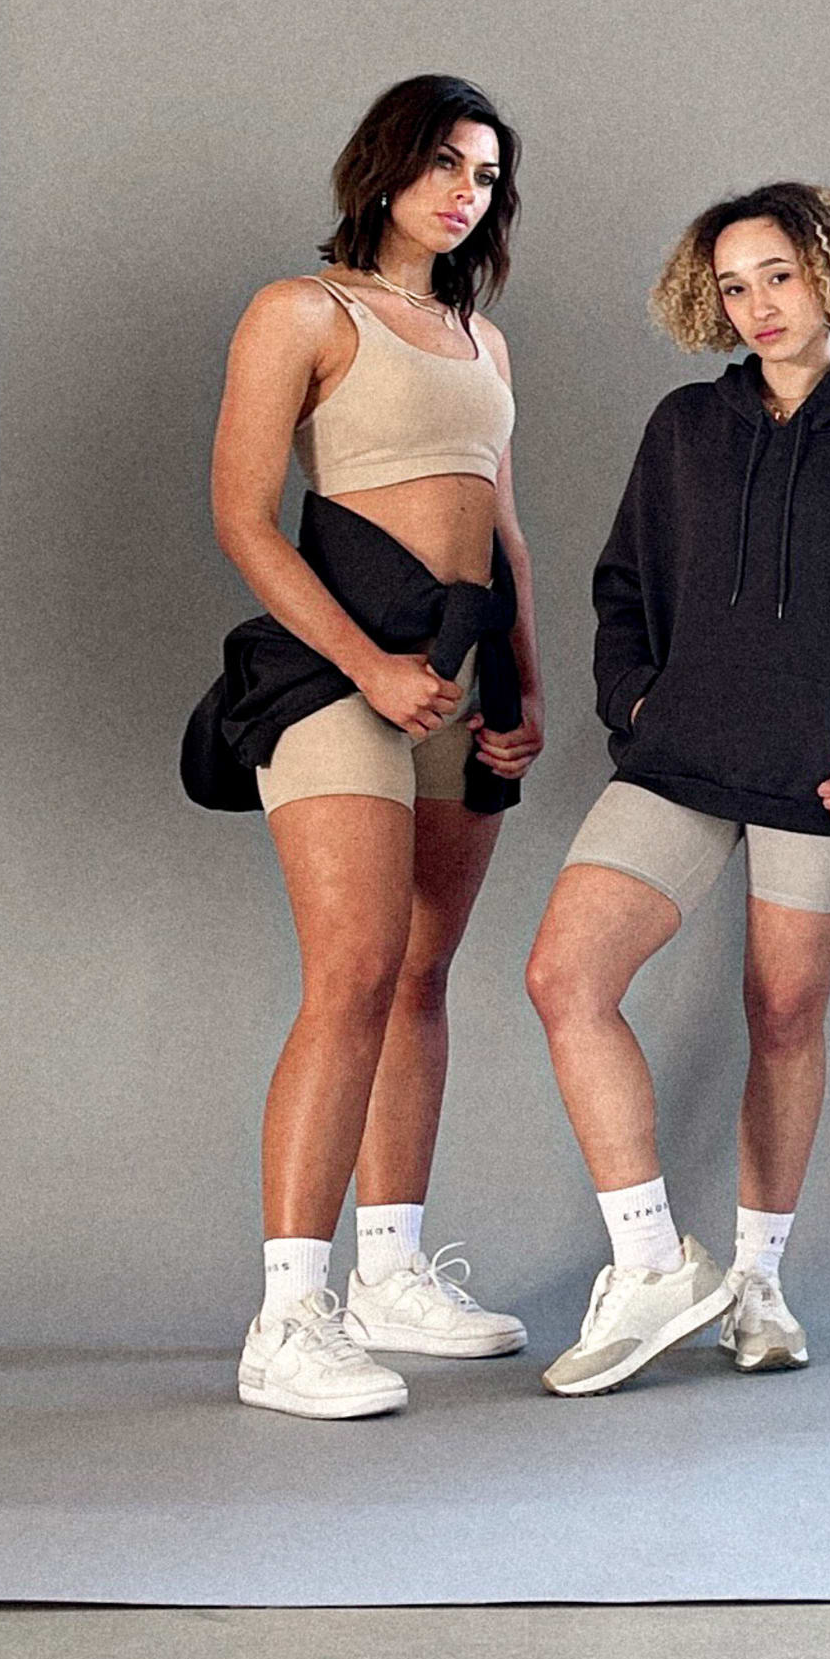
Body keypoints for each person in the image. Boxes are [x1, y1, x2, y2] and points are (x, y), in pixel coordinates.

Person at [525, 183, 830, 1395]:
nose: (759, 304)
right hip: (681, 757)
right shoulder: (686, 425)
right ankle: (651, 1262)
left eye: (778, 274)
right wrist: (634, 702)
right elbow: (621, 583)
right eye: (734, 284)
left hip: (819, 774)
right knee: (566, 978)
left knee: (782, 1015)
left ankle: (760, 1281)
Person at [197, 74, 543, 1422]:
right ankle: (288, 1320)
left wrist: (523, 683)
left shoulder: (480, 340)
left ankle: (389, 1274)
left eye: (488, 176)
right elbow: (242, 515)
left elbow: (503, 530)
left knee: (421, 972)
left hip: (464, 674)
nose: (466, 192)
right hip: (346, 666)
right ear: (385, 166)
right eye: (447, 163)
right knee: (349, 970)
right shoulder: (303, 312)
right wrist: (367, 666)